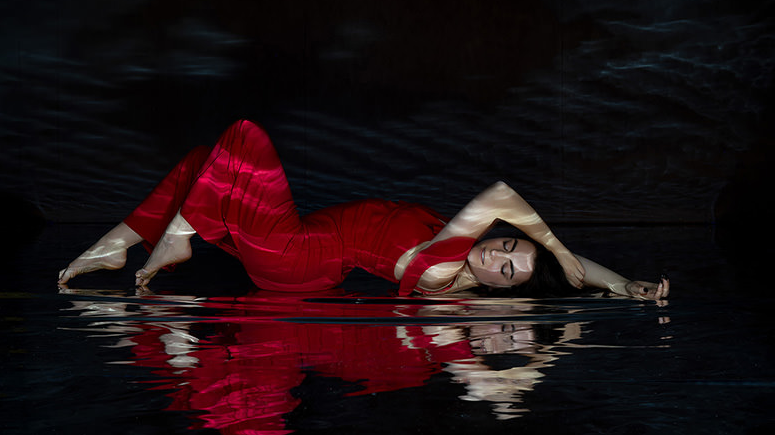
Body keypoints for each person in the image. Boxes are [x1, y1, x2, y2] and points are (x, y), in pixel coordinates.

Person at [58, 119, 670, 299]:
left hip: (294, 257)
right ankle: (115, 244)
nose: (498, 253)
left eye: (504, 269)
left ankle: (177, 237)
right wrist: (621, 284)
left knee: (244, 137)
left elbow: (502, 196)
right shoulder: (453, 240)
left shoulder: (440, 266)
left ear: (489, 288)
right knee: (200, 160)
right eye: (509, 245)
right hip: (292, 244)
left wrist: (556, 254)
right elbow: (553, 259)